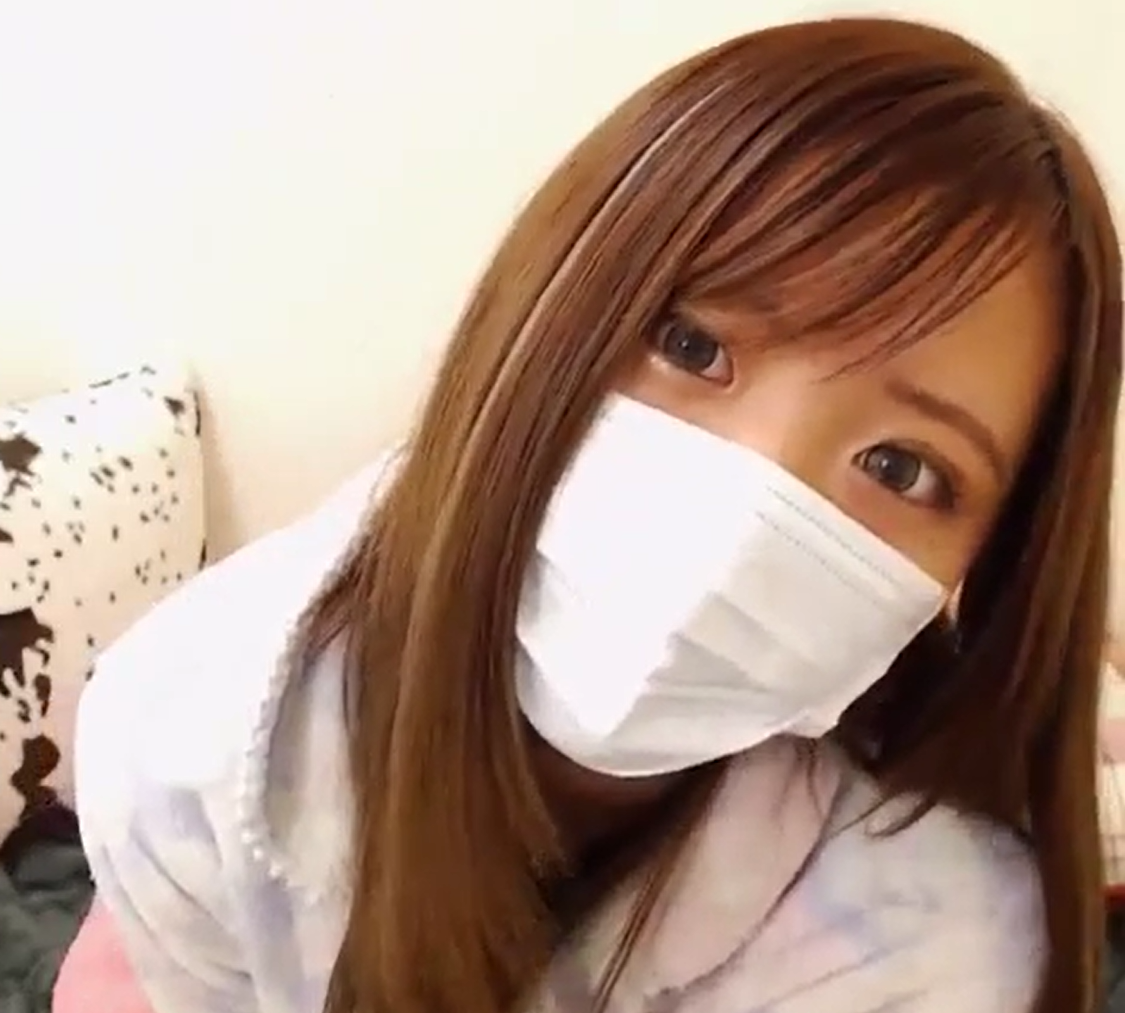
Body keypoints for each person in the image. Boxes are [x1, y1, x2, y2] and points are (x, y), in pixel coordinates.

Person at [73, 15, 1122, 1013]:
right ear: (542, 308)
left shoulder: (932, 946)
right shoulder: (181, 733)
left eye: (899, 467)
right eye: (692, 346)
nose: (741, 525)